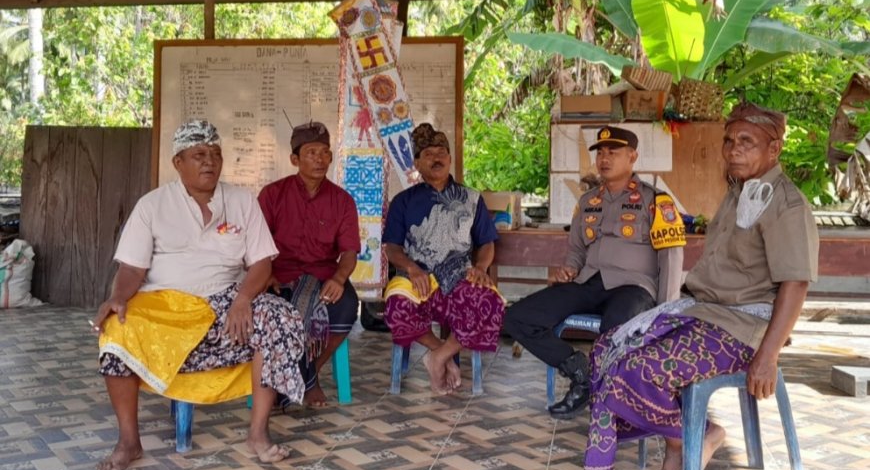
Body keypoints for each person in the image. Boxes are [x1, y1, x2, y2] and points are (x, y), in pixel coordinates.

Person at [583, 102, 819, 470]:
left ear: (774, 149)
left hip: (743, 329)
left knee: (640, 370)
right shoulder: (739, 192)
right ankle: (687, 438)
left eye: (747, 142)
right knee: (608, 349)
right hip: (705, 313)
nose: (734, 150)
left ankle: (689, 441)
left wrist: (768, 356)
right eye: (729, 141)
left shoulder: (786, 205)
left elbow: (796, 283)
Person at [93, 120, 305, 470]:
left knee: (280, 317)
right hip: (167, 306)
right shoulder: (152, 205)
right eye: (199, 155)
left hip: (226, 304)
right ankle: (129, 441)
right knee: (116, 329)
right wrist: (117, 297)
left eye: (216, 154)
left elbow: (262, 263)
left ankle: (257, 433)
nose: (210, 162)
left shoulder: (240, 201)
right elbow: (132, 268)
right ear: (178, 162)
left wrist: (242, 299)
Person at [504, 125, 685, 420]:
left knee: (615, 329)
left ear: (632, 157)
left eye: (613, 152)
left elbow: (672, 257)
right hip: (588, 283)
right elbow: (576, 249)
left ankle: (613, 400)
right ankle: (580, 372)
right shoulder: (588, 202)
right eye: (600, 152)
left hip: (633, 286)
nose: (604, 157)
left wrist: (664, 313)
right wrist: (570, 268)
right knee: (518, 317)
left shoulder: (656, 201)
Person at [383, 123, 505, 394]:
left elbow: (486, 242)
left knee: (490, 301)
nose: (436, 158)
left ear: (450, 158)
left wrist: (481, 267)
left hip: (459, 276)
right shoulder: (402, 201)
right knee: (396, 307)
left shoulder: (472, 198)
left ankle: (439, 357)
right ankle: (441, 353)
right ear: (417, 162)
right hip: (417, 277)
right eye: (428, 153)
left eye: (442, 152)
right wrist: (411, 268)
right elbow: (391, 247)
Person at [258, 121, 361, 407]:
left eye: (325, 152)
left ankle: (308, 375)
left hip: (324, 274)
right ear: (294, 159)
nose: (319, 158)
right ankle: (289, 380)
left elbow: (350, 252)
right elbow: (257, 245)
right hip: (279, 276)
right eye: (311, 152)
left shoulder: (342, 201)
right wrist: (265, 275)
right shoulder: (272, 195)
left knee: (347, 305)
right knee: (270, 310)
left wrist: (340, 279)